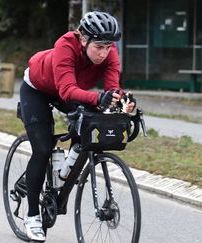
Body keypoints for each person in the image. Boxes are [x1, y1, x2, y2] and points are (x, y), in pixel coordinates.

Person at [19, 11, 135, 241]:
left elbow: (112, 89)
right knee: (41, 150)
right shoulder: (65, 45)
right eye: (99, 46)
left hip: (71, 91)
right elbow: (66, 91)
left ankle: (62, 172)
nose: (104, 53)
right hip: (38, 90)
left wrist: (123, 100)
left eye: (108, 46)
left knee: (88, 130)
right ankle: (32, 216)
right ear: (84, 40)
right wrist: (98, 99)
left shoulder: (109, 53)